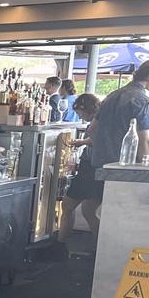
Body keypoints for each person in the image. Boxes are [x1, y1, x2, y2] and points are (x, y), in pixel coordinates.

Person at [89, 58, 149, 196]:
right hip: (125, 166)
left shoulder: (112, 95)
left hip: (100, 162)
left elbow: (92, 129)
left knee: (96, 205)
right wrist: (144, 169)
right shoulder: (143, 101)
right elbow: (144, 140)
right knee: (123, 210)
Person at [58, 93, 102, 245]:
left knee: (68, 205)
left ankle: (61, 243)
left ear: (87, 109)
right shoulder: (105, 119)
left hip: (89, 168)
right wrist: (83, 142)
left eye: (80, 113)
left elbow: (95, 137)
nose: (80, 117)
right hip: (96, 167)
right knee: (89, 210)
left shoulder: (98, 121)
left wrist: (84, 142)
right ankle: (97, 248)